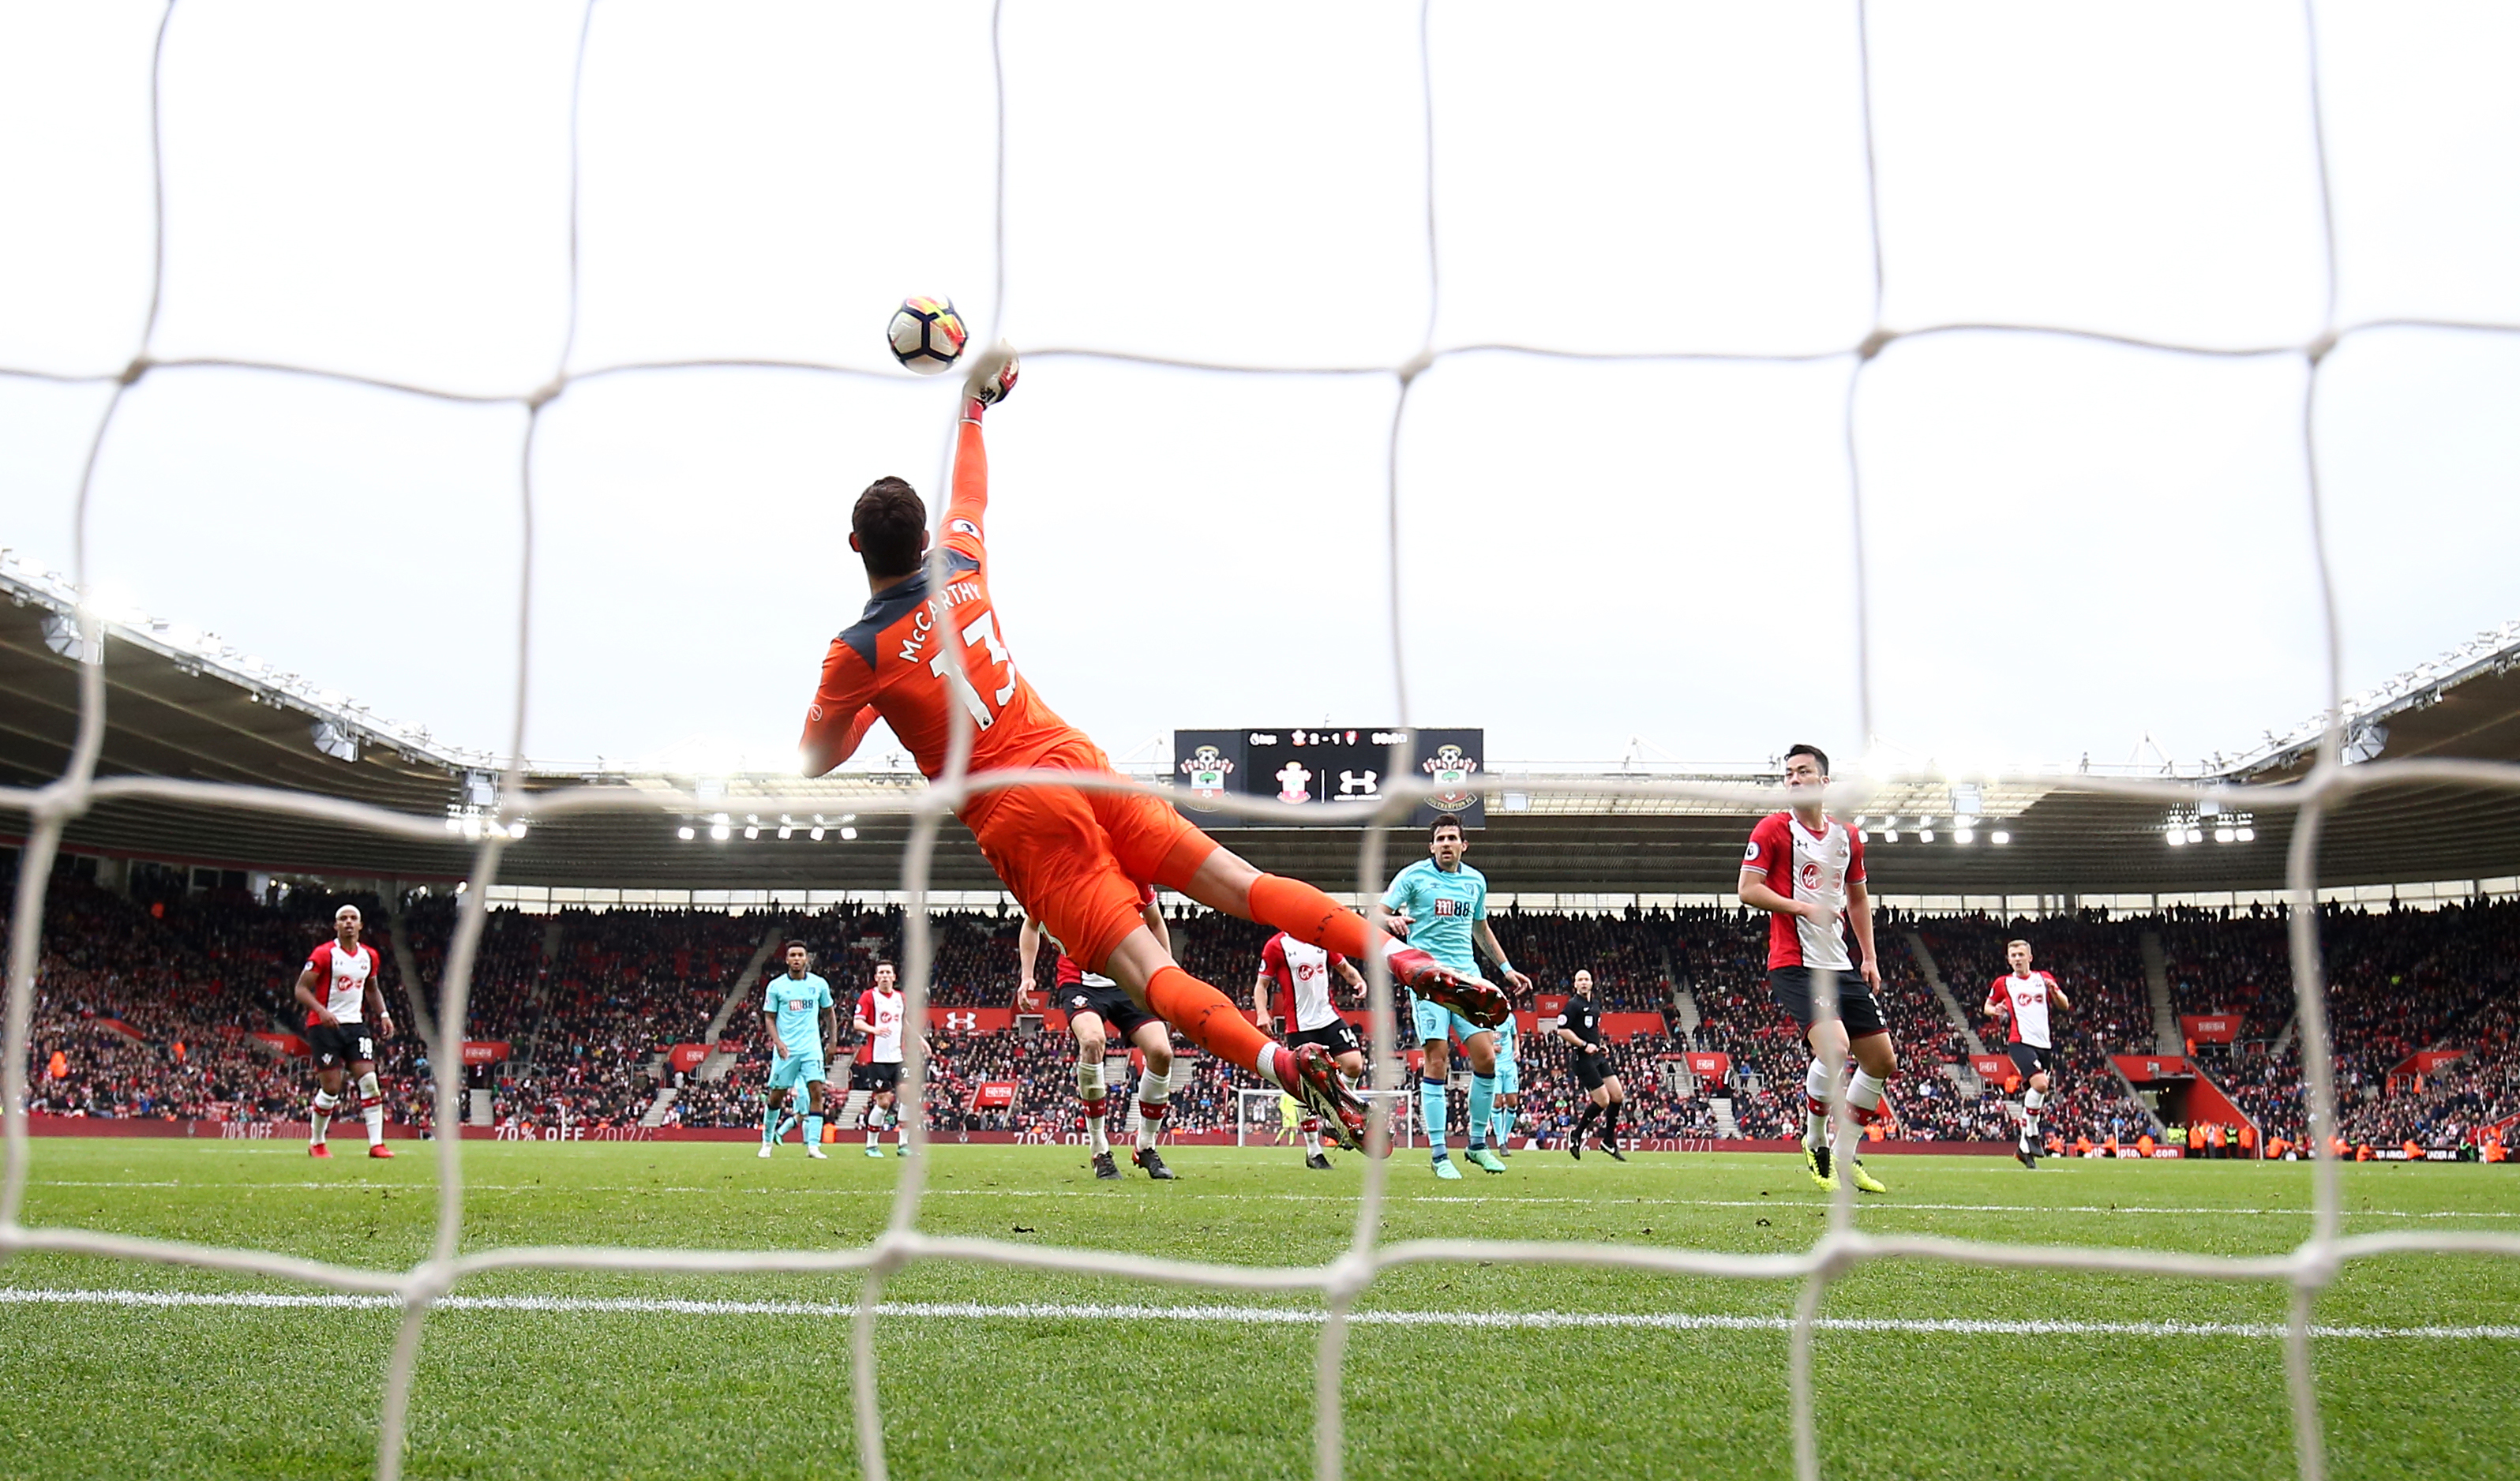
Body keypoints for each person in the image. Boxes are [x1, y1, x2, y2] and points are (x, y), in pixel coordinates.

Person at [797, 346, 1507, 1152]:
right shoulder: (959, 559)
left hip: (1017, 817)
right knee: (1246, 883)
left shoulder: (855, 652)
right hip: (1073, 757)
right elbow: (970, 490)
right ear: (924, 535)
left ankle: (1279, 1061)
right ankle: (1398, 955)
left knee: (1148, 979)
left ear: (854, 546)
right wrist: (973, 402)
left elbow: (818, 754)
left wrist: (871, 705)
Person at [1738, 744, 1892, 1195]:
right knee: (1836, 1047)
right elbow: (1748, 889)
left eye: (1803, 772)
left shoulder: (1848, 837)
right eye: (1788, 773)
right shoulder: (1773, 829)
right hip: (1796, 964)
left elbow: (1858, 898)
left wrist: (1869, 956)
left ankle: (1845, 1155)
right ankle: (1814, 1141)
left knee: (1882, 1060)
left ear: (1824, 782)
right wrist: (1804, 908)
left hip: (1841, 963)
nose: (1793, 779)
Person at [1375, 813, 1536, 1179]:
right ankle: (1438, 1154)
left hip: (1468, 980)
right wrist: (1391, 921)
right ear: (1431, 846)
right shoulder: (1413, 876)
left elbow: (1480, 927)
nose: (1446, 844)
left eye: (1453, 838)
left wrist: (1507, 969)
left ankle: (1478, 1146)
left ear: (1464, 845)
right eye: (1440, 839)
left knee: (1487, 1061)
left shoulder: (1475, 882)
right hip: (1429, 980)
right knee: (1437, 1061)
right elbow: (1376, 912)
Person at [1021, 889, 1179, 1180]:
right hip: (1080, 984)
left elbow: (1155, 922)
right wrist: (1027, 975)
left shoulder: (1134, 878)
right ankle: (1099, 1149)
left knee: (1161, 1052)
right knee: (1092, 1041)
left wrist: (1167, 969)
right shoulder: (1059, 881)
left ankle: (1146, 1146)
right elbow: (1031, 924)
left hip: (1129, 980)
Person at [1254, 928, 1367, 1169]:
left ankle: (1335, 1120)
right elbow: (1261, 985)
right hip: (1299, 1027)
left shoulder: (1322, 938)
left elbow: (1345, 968)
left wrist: (1358, 981)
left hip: (1328, 1018)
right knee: (1304, 1090)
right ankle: (1314, 1150)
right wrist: (1263, 1013)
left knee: (1354, 1064)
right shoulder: (1276, 945)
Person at [291, 904, 396, 1160]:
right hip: (323, 1026)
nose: (348, 922)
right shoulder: (324, 954)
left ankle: (376, 1144)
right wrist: (321, 1011)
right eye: (343, 919)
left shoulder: (369, 956)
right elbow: (301, 989)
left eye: (353, 919)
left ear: (361, 925)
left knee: (369, 1080)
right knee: (332, 1088)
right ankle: (317, 1142)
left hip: (355, 1026)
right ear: (335, 926)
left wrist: (383, 1014)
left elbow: (372, 988)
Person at [1983, 938, 2070, 1171]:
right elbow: (1987, 1006)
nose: (2017, 959)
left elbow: (2064, 1004)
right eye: (2013, 956)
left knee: (2039, 1092)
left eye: (2021, 955)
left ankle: (2023, 1149)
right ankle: (2031, 1133)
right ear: (2008, 960)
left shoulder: (2044, 978)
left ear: (2030, 958)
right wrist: (1996, 1010)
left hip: (2045, 1044)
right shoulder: (2004, 983)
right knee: (2040, 1084)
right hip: (2019, 1041)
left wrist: (2055, 992)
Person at [758, 941, 835, 1160]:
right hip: (787, 1050)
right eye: (792, 955)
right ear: (786, 959)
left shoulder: (819, 984)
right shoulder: (776, 986)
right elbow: (769, 1017)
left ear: (806, 959)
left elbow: (830, 1013)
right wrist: (778, 1042)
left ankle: (813, 1146)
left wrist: (832, 1042)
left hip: (812, 1048)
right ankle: (767, 1141)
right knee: (776, 1096)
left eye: (800, 955)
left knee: (817, 1093)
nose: (796, 959)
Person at [1555, 969, 1625, 1161]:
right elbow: (1562, 1030)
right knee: (1602, 1100)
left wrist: (1599, 1046)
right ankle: (1576, 1135)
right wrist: (1584, 1045)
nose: (1584, 983)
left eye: (1586, 979)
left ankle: (1608, 1141)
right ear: (1575, 984)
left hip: (1597, 1056)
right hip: (1582, 1058)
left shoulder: (1594, 1004)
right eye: (1580, 980)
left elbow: (1590, 1030)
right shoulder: (1573, 1005)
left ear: (1592, 983)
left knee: (1617, 1095)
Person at [850, 961, 911, 1157]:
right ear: (876, 977)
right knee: (884, 1102)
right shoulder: (869, 996)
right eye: (881, 973)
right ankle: (871, 1146)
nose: (885, 976)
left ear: (894, 977)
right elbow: (857, 1022)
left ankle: (903, 1144)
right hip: (877, 1059)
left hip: (898, 1057)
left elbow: (904, 1022)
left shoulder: (901, 998)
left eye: (888, 973)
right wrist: (874, 1030)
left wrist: (920, 1041)